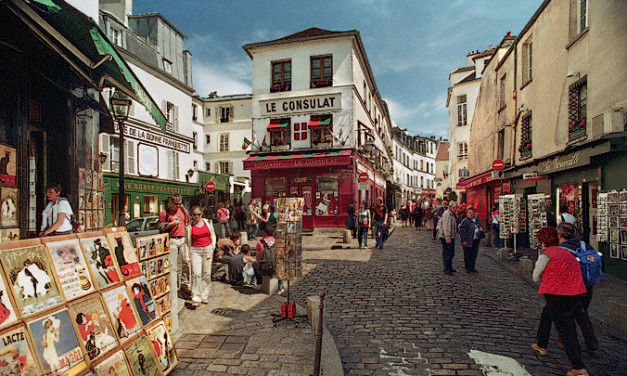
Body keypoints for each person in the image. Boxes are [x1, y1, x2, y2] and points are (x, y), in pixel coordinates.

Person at [532, 227, 588, 376]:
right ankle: (541, 343)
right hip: (575, 293)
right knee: (547, 315)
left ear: (543, 242)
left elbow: (535, 276)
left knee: (565, 329)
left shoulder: (547, 255)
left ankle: (578, 366)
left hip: (556, 293)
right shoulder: (567, 253)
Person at [557, 222, 599, 352]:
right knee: (581, 312)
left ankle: (569, 342)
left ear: (559, 235)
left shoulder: (561, 249)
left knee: (567, 314)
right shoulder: (584, 245)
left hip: (571, 286)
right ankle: (591, 342)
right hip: (587, 284)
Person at [158, 194, 191, 298]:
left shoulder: (183, 211)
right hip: (172, 239)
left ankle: (184, 284)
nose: (178, 206)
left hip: (182, 239)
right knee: (173, 264)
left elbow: (187, 223)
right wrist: (170, 225)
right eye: (176, 204)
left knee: (185, 262)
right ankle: (174, 285)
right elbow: (160, 227)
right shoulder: (165, 213)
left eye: (180, 203)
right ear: (171, 203)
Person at [185, 206, 216, 308]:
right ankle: (196, 297)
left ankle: (204, 295)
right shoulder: (189, 226)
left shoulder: (208, 222)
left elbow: (212, 235)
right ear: (192, 215)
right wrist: (187, 256)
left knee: (206, 273)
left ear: (202, 214)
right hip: (195, 250)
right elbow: (186, 242)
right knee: (196, 274)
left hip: (207, 249)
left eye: (198, 214)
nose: (197, 216)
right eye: (194, 214)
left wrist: (212, 246)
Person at [255, 227, 283, 292]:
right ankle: (280, 287)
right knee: (280, 267)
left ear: (265, 233)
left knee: (254, 264)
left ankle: (259, 283)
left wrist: (259, 264)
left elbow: (257, 257)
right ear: (273, 234)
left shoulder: (260, 243)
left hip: (263, 268)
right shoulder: (277, 242)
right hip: (274, 267)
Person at [458, 207, 484, 273]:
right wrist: (463, 240)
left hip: (476, 240)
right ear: (467, 214)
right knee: (467, 254)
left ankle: (472, 267)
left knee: (474, 254)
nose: (471, 214)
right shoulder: (465, 221)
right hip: (468, 240)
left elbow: (480, 227)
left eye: (472, 213)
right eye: (469, 213)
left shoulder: (477, 220)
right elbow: (462, 232)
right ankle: (467, 268)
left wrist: (480, 230)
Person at [438, 200, 458, 275]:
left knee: (451, 253)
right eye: (454, 208)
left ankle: (450, 267)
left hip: (451, 236)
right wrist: (447, 237)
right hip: (446, 237)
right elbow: (446, 227)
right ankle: (447, 269)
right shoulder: (447, 214)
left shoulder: (451, 214)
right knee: (447, 253)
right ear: (450, 207)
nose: (456, 209)